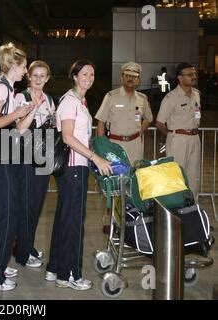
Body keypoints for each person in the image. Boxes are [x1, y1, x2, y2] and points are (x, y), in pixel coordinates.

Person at [45, 59, 112, 290]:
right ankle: (70, 274)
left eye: (92, 74)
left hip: (77, 167)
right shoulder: (70, 101)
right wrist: (95, 157)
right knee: (73, 222)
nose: (89, 78)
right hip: (73, 168)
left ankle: (55, 269)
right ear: (74, 76)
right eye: (84, 74)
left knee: (65, 218)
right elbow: (67, 137)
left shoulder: (80, 101)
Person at [0, 42, 33, 291]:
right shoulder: (1, 89)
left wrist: (26, 112)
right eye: (23, 66)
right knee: (5, 216)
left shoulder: (8, 89)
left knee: (2, 215)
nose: (25, 72)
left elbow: (13, 126)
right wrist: (16, 113)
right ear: (13, 64)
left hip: (3, 156)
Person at [94, 62, 153, 233]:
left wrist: (139, 131)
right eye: (127, 75)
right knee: (113, 183)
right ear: (122, 77)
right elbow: (101, 121)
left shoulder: (142, 99)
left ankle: (132, 219)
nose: (130, 79)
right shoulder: (111, 96)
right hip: (115, 146)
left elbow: (148, 118)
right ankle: (110, 219)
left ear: (138, 80)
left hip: (135, 145)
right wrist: (101, 147)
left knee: (134, 181)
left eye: (134, 77)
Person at [12, 60, 55, 270]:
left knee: (37, 204)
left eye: (42, 76)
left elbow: (52, 124)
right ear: (29, 76)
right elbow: (19, 128)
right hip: (27, 151)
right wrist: (33, 109)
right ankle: (23, 252)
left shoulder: (49, 99)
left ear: (47, 78)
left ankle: (26, 245)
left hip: (43, 152)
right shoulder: (22, 97)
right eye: (34, 75)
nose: (38, 79)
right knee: (26, 204)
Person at [156, 62, 201, 201]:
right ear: (180, 78)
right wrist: (173, 135)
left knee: (194, 176)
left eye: (194, 74)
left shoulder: (196, 94)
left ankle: (193, 208)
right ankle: (176, 209)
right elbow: (159, 123)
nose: (193, 77)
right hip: (178, 140)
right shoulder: (171, 98)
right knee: (176, 176)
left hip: (195, 138)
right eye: (189, 74)